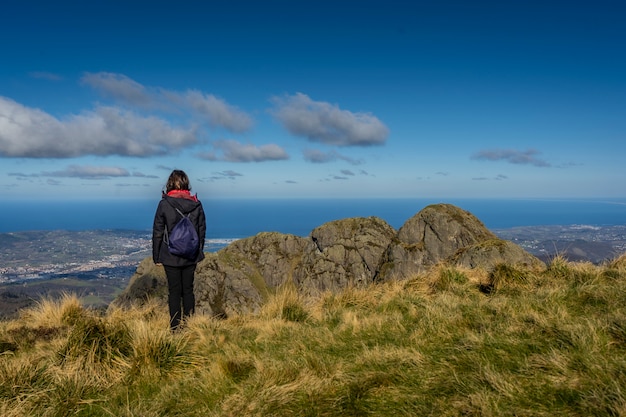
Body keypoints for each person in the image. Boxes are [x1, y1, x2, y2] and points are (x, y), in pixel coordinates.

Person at [152, 170, 206, 331]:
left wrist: (157, 257)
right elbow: (201, 230)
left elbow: (158, 231)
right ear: (186, 183)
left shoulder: (164, 204)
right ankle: (189, 326)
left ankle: (175, 329)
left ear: (170, 184)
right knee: (188, 291)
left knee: (174, 292)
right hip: (191, 255)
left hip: (170, 255)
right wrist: (198, 251)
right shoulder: (196, 204)